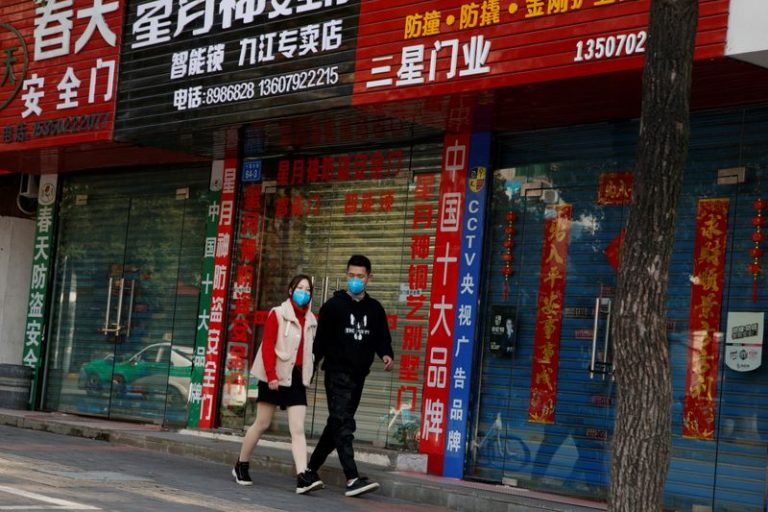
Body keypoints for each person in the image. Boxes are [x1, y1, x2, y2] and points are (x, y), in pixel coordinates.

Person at [305, 255, 394, 497]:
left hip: (359, 376)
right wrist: (310, 371)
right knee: (344, 425)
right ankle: (352, 477)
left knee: (336, 424)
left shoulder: (374, 309)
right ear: (346, 275)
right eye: (351, 276)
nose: (355, 280)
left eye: (360, 276)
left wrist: (386, 354)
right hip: (336, 373)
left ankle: (309, 471)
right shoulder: (333, 307)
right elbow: (319, 344)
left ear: (369, 278)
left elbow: (381, 337)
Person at [232, 274, 324, 495]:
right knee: (262, 423)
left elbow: (311, 351)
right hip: (273, 375)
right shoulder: (278, 314)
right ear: (290, 291)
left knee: (298, 429)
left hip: (296, 378)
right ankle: (241, 464)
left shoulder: (312, 320)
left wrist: (309, 373)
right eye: (300, 288)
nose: (304, 292)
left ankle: (302, 476)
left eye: (308, 289)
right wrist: (272, 375)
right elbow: (267, 346)